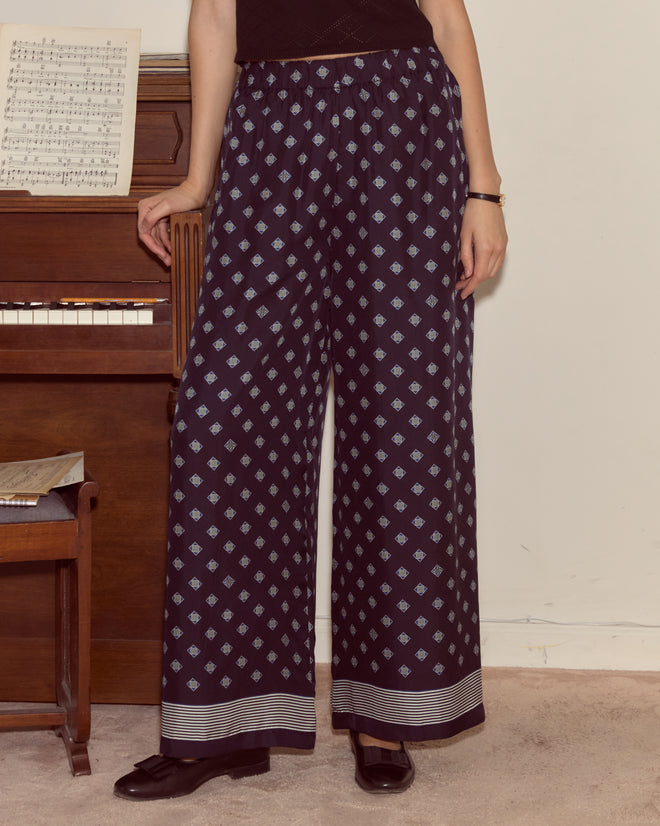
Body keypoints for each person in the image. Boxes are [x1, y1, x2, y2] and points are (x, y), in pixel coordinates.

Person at [115, 0, 507, 800]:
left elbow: (449, 19)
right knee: (220, 419)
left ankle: (388, 710)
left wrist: (485, 189)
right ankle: (223, 722)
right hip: (268, 133)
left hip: (401, 125)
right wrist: (200, 176)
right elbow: (217, 18)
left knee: (402, 421)